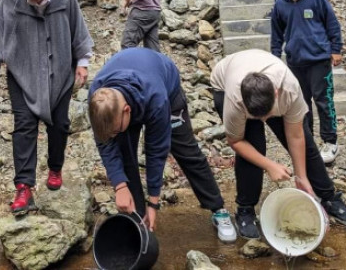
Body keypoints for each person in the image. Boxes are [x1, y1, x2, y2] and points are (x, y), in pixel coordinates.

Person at [88, 48, 237, 242]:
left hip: (165, 87)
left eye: (116, 129)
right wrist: (119, 186)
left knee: (187, 151)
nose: (114, 134)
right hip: (129, 94)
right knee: (125, 155)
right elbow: (106, 144)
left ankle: (218, 209)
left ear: (127, 111)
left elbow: (156, 152)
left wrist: (154, 202)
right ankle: (137, 218)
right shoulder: (98, 101)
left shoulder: (156, 98)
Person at [210, 49, 346, 239]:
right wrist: (269, 165)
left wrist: (301, 177)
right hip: (225, 81)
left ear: (276, 93)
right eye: (259, 117)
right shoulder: (235, 100)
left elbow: (296, 136)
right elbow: (236, 141)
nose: (265, 120)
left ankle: (328, 197)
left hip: (267, 83)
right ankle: (246, 209)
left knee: (307, 145)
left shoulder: (289, 89)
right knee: (254, 147)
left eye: (268, 114)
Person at [0, 0, 93, 215]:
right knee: (24, 126)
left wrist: (82, 62)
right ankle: (24, 186)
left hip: (60, 71)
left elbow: (78, 30)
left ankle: (55, 167)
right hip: (22, 72)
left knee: (60, 124)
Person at [271, 0, 342, 164]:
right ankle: (307, 141)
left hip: (319, 60)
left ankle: (330, 141)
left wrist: (336, 49)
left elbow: (332, 23)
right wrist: (275, 59)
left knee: (324, 100)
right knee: (302, 105)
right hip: (295, 62)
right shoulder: (280, 4)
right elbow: (276, 35)